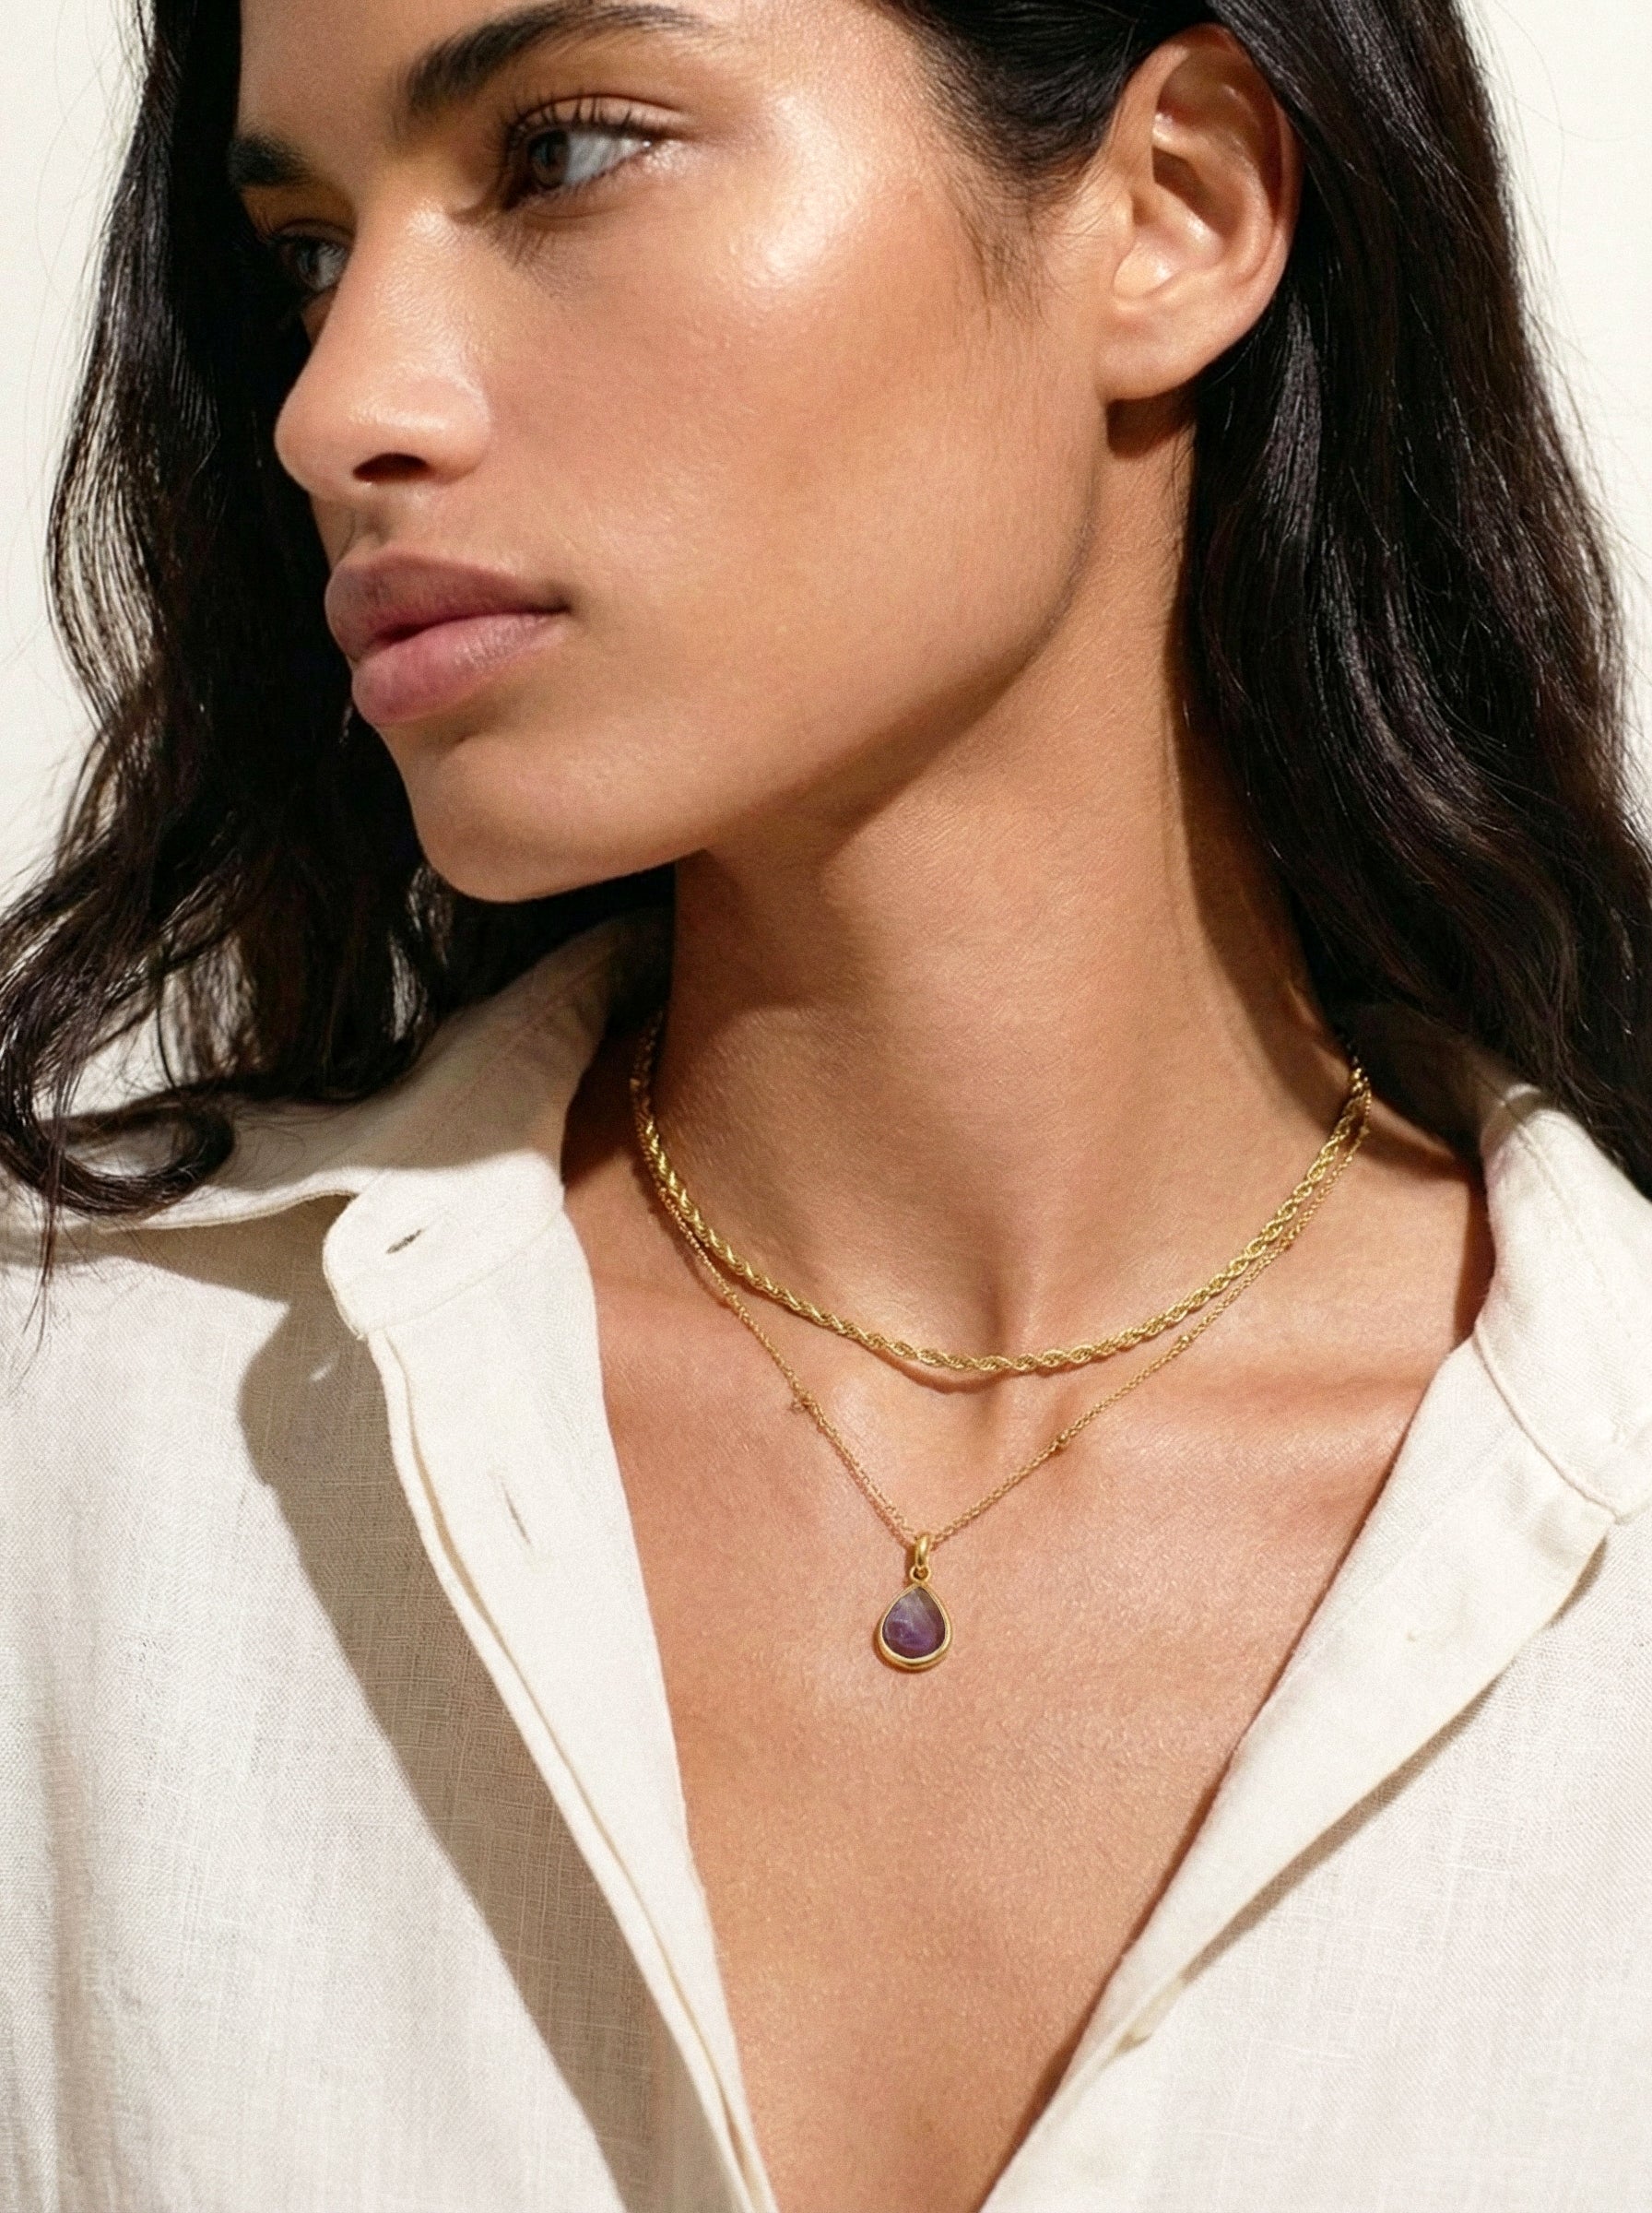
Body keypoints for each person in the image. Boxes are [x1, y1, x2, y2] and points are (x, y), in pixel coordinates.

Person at [4, 0, 1651, 2207]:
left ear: (1172, 212)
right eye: (304, 254)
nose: (336, 407)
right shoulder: (81, 1448)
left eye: (565, 151)